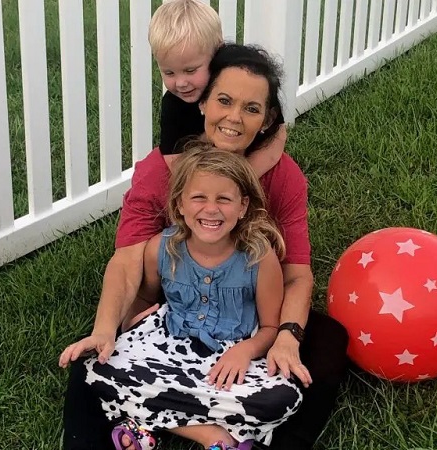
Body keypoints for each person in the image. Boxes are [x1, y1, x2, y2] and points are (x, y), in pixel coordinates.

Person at [59, 44, 349, 450]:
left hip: (249, 310)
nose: (233, 118)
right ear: (202, 102)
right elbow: (127, 261)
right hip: (174, 310)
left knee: (328, 341)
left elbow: (297, 274)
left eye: (251, 109)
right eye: (224, 101)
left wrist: (287, 335)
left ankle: (245, 434)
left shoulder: (284, 177)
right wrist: (111, 328)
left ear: (266, 120)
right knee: (92, 359)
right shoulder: (159, 171)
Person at [84, 146, 302, 450]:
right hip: (167, 346)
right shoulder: (159, 249)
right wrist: (130, 325)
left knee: (282, 399)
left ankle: (145, 423)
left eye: (223, 199)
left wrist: (244, 352)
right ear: (180, 204)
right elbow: (145, 299)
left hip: (229, 359)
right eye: (199, 197)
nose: (210, 209)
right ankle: (214, 437)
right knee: (98, 370)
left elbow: (269, 328)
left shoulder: (259, 258)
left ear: (242, 206)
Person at [149, 0, 285, 174]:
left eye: (190, 70)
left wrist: (244, 179)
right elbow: (176, 163)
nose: (181, 83)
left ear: (217, 51)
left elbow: (277, 135)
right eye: (169, 73)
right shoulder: (174, 105)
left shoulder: (244, 78)